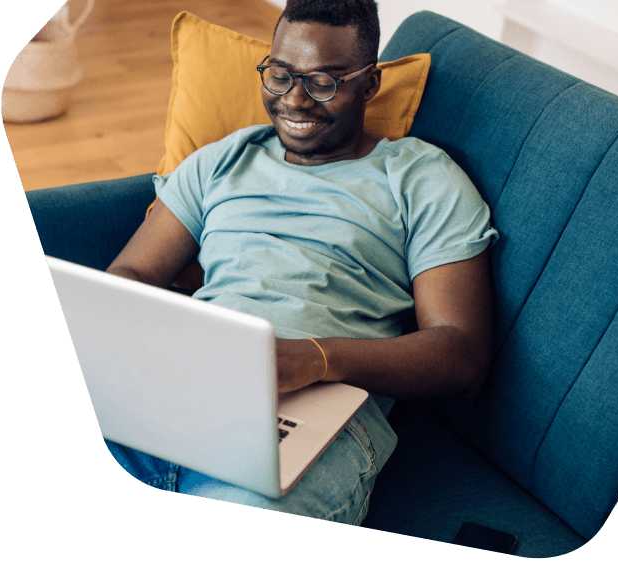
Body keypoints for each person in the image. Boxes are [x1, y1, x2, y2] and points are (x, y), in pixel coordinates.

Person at [104, 0, 498, 525]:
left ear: (370, 84)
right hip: (185, 391)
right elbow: (129, 276)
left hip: (317, 415)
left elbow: (461, 353)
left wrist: (314, 358)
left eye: (323, 83)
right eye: (281, 74)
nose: (294, 100)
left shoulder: (421, 179)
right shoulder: (222, 160)